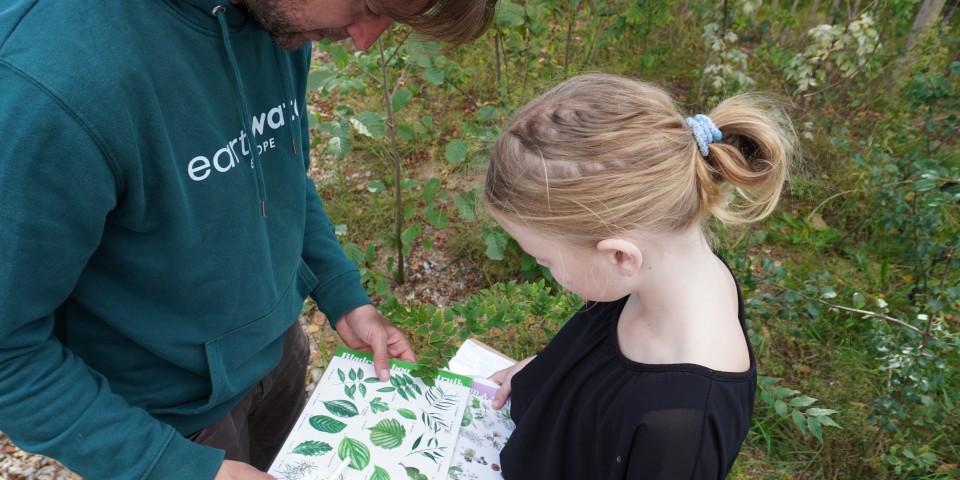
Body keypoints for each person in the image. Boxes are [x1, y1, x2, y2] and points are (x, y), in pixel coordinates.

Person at [0, 1, 496, 479]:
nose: (365, 40)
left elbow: (278, 171)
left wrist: (342, 295)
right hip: (169, 423)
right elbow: (9, 354)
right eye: (367, 7)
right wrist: (171, 467)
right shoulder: (48, 89)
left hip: (278, 354)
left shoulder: (278, 18)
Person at [484, 73, 797, 479]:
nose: (547, 271)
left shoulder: (681, 429)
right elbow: (598, 364)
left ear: (619, 255)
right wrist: (547, 374)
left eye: (545, 260)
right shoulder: (664, 273)